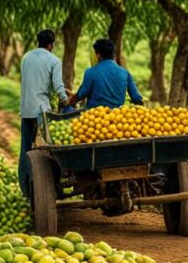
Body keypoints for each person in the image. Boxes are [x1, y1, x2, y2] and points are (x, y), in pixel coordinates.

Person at [18, 29, 68, 198]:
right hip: (42, 110)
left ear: (37, 41)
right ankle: (52, 187)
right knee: (49, 150)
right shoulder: (53, 60)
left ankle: (26, 188)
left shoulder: (26, 57)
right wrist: (64, 99)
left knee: (26, 148)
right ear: (51, 44)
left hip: (26, 109)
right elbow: (57, 86)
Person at [67, 38, 143, 109]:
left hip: (93, 117)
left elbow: (81, 94)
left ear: (98, 55)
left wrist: (69, 103)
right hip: (117, 118)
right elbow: (137, 99)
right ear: (113, 54)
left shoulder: (91, 72)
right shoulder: (125, 73)